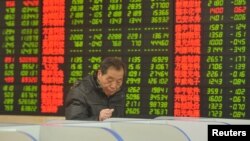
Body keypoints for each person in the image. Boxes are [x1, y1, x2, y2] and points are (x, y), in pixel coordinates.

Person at [65, 57, 127, 121]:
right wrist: (98, 118)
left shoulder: (120, 92)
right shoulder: (80, 91)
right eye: (110, 80)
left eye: (119, 81)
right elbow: (73, 122)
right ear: (99, 74)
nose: (114, 86)